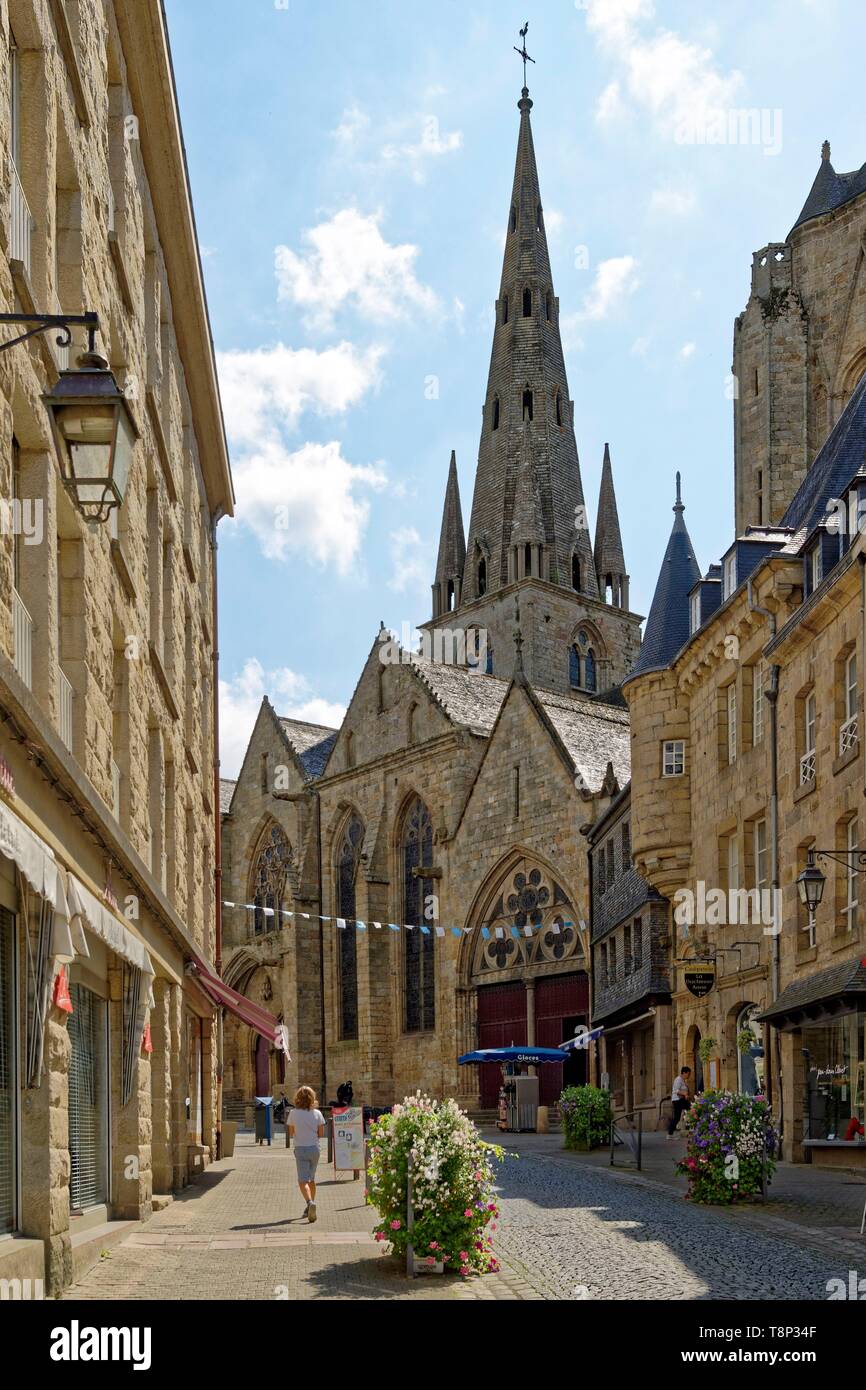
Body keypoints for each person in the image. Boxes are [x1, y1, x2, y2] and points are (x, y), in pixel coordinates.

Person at [288, 1085, 325, 1222]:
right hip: (314, 1149)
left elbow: (291, 1133)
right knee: (312, 1179)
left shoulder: (293, 1113)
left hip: (301, 1148)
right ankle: (310, 1204)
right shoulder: (317, 1113)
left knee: (303, 1180)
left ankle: (310, 1203)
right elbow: (321, 1133)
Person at [667, 1066, 692, 1138]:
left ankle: (670, 1133)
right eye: (688, 1074)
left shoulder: (683, 1080)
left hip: (681, 1100)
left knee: (679, 1116)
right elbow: (676, 1091)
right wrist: (685, 1094)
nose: (689, 1076)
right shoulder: (678, 1080)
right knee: (690, 1110)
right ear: (684, 1073)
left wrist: (686, 1095)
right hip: (677, 1100)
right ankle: (669, 1134)